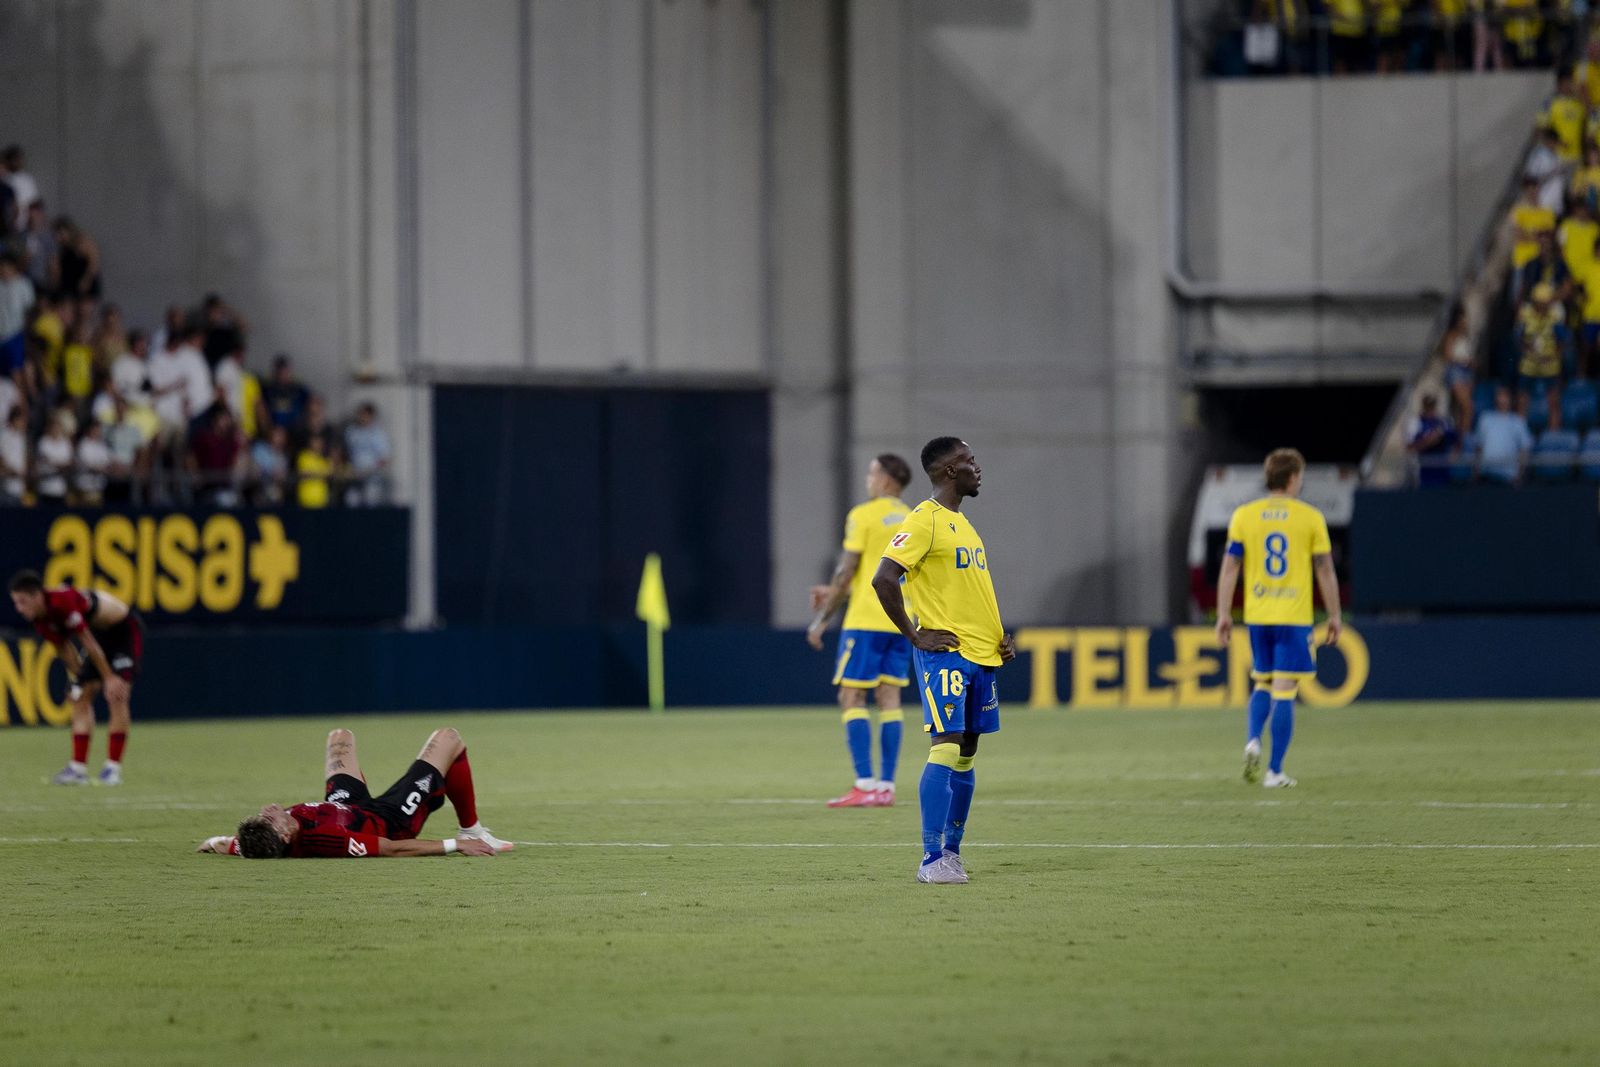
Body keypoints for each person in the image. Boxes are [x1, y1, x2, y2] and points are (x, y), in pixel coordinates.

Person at [871, 437, 1016, 884]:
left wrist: (999, 636)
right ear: (951, 470)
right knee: (947, 744)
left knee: (967, 755)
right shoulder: (924, 521)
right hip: (947, 655)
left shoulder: (964, 525)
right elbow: (884, 578)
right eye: (970, 460)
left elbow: (971, 594)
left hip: (981, 653)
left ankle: (952, 853)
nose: (978, 467)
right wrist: (915, 634)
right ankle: (931, 858)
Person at [1214, 449, 1342, 789]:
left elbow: (1230, 568)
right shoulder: (1310, 517)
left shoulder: (1244, 516)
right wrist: (1334, 614)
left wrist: (1224, 614)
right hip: (1293, 616)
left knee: (1262, 681)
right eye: (1299, 476)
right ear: (1291, 478)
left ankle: (1253, 738)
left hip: (1258, 615)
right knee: (1285, 690)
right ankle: (1274, 771)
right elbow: (1325, 569)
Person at [196, 726, 512, 858]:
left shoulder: (256, 841)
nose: (267, 812)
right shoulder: (327, 838)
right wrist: (455, 844)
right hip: (391, 820)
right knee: (448, 738)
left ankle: (471, 831)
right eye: (270, 820)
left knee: (339, 736)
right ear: (286, 836)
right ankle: (473, 830)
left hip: (348, 806)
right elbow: (390, 849)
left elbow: (230, 844)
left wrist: (212, 843)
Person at [805, 454, 914, 807]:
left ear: (885, 479)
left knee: (851, 697)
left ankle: (864, 783)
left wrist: (822, 619)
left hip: (866, 622)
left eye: (871, 473)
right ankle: (886, 787)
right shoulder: (914, 519)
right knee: (889, 699)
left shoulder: (863, 515)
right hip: (901, 621)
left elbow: (847, 571)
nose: (868, 479)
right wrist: (840, 591)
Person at [8, 569, 144, 785]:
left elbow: (86, 641)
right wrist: (79, 679)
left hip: (122, 631)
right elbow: (65, 649)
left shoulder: (61, 603)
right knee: (79, 697)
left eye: (23, 602)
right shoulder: (40, 619)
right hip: (99, 636)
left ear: (37, 596)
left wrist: (108, 678)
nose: (19, 608)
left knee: (117, 694)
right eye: (16, 603)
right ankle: (78, 769)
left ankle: (112, 769)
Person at [1478, 384, 1534, 483]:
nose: (1502, 399)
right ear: (1495, 398)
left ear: (1510, 399)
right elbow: (1479, 448)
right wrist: (1476, 474)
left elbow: (1524, 450)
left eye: (1505, 396)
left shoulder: (1518, 421)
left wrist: (1519, 476)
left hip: (1508, 476)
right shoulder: (1485, 418)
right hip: (1486, 474)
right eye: (1500, 396)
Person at [1406, 394, 1457, 487]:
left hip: (1443, 474)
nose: (1430, 409)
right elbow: (1410, 449)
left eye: (1432, 406)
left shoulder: (1443, 422)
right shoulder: (1416, 423)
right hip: (1424, 475)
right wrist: (1429, 440)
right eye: (1428, 406)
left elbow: (1455, 442)